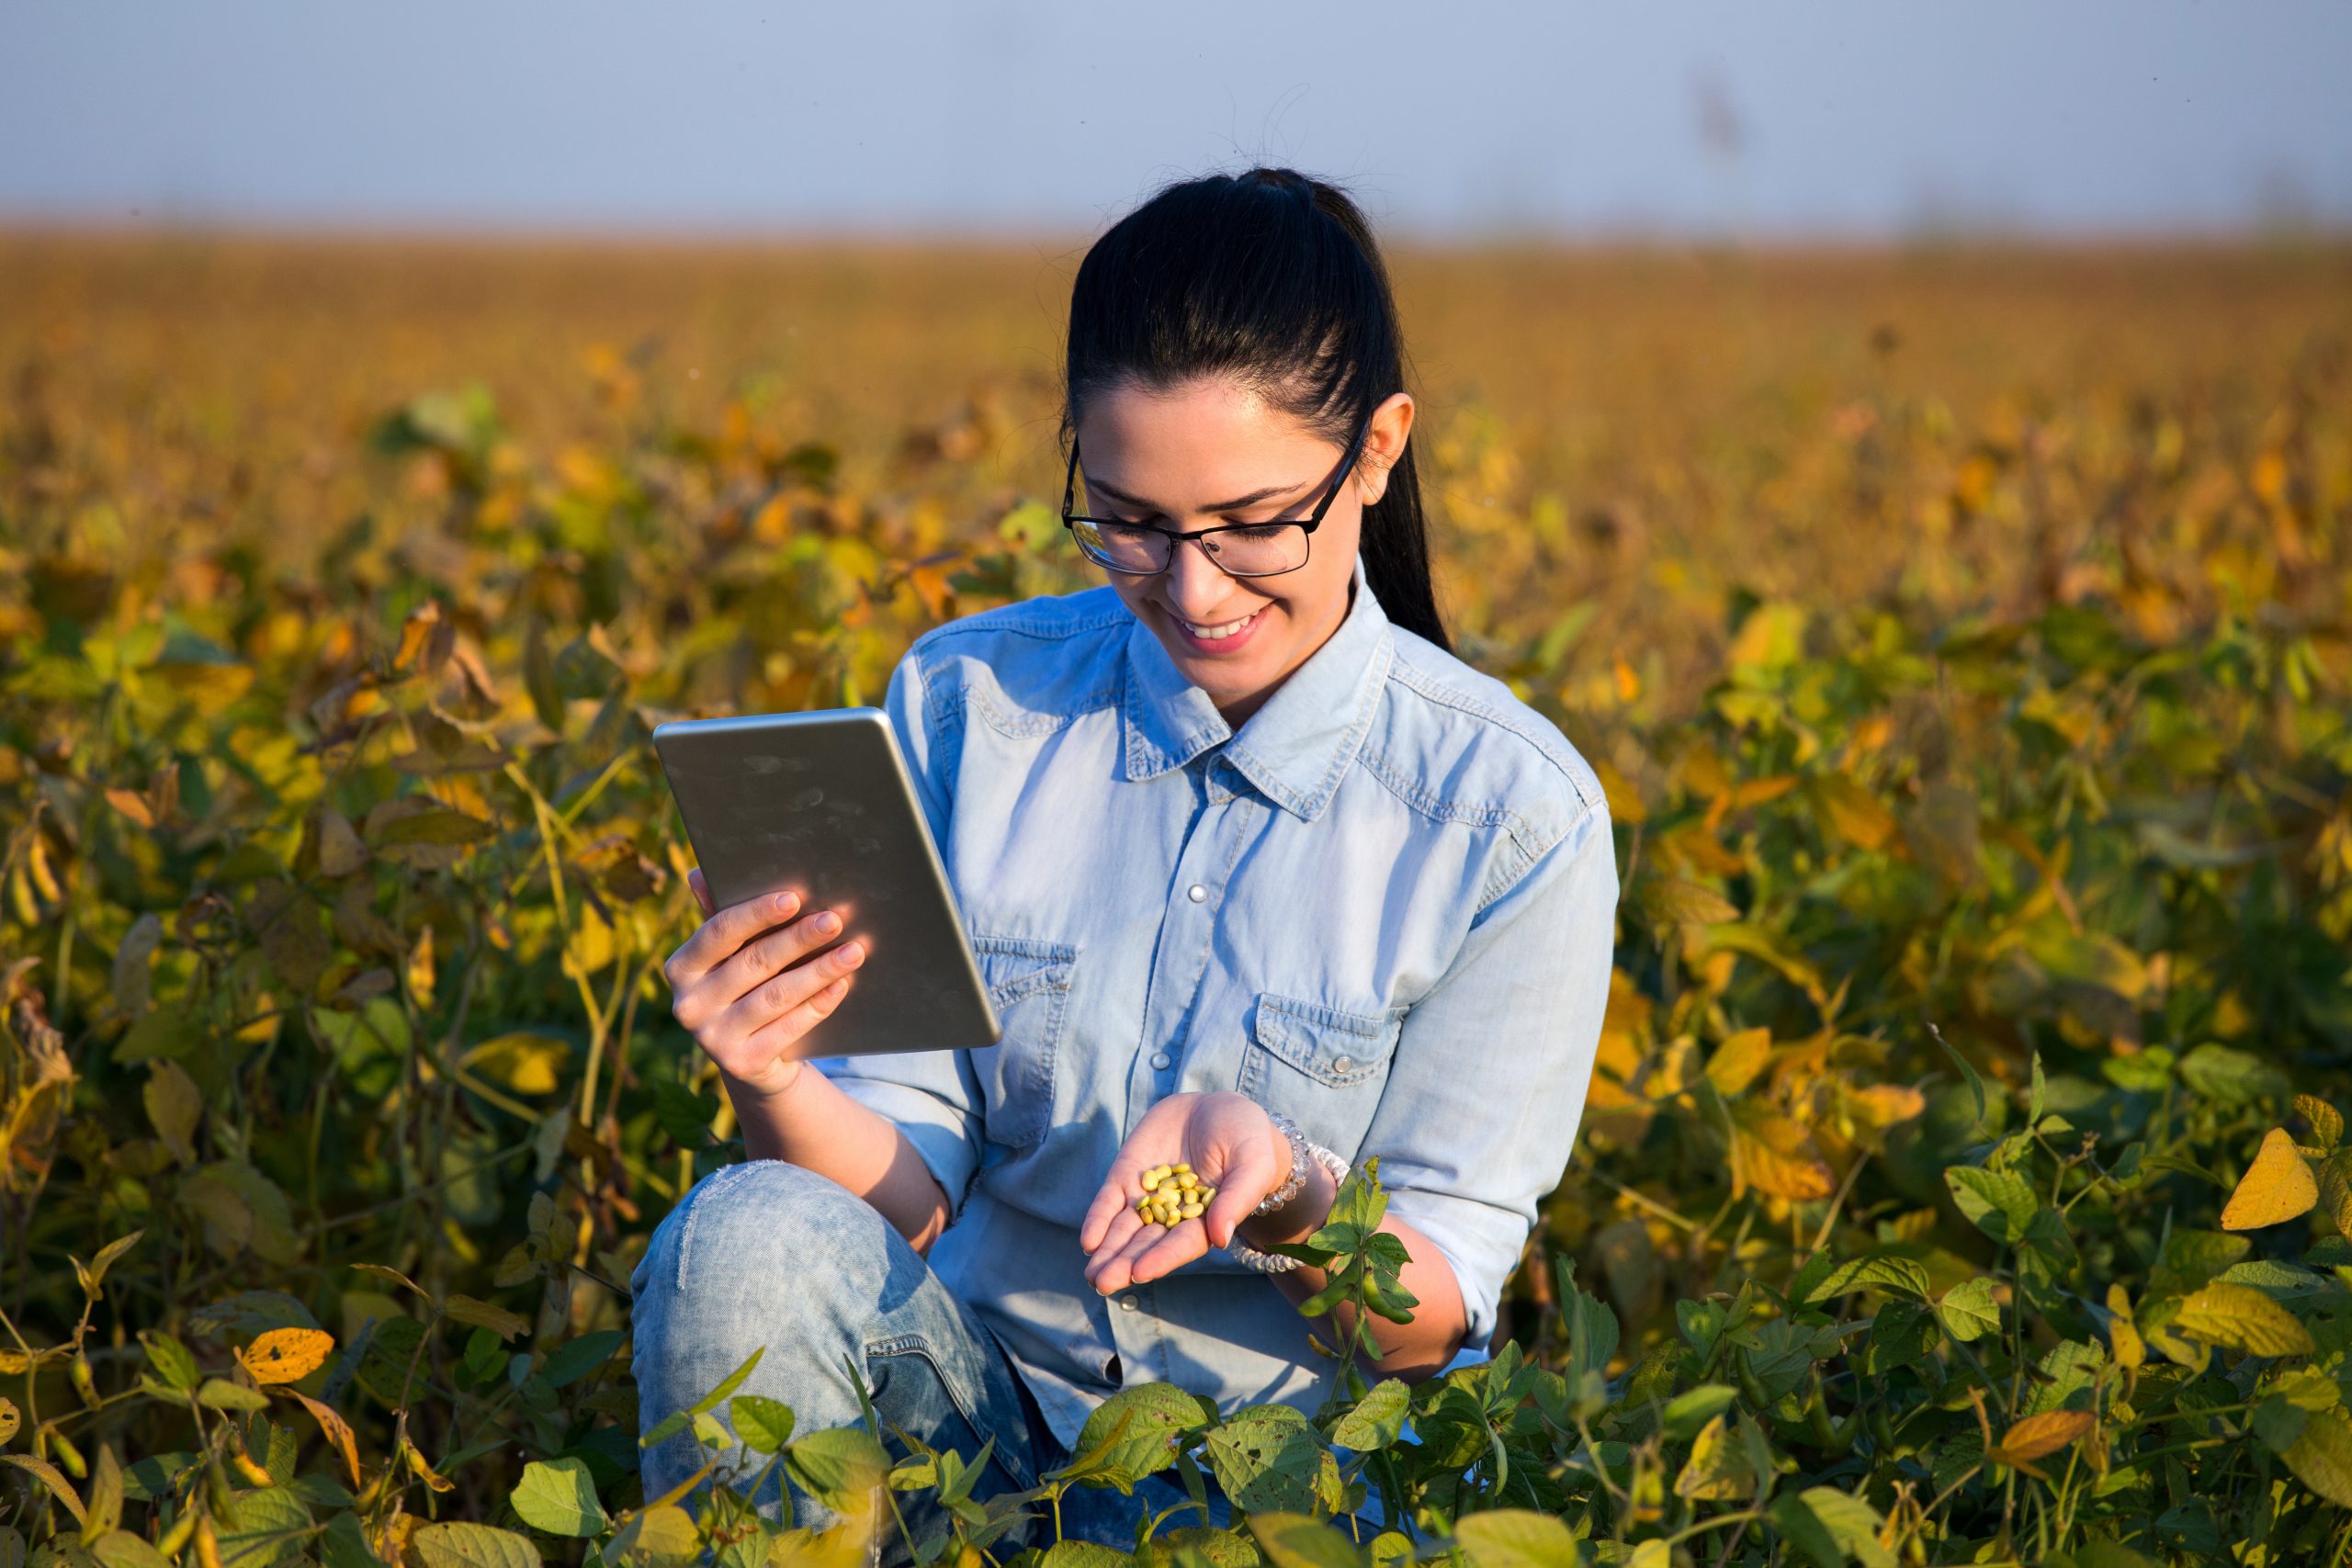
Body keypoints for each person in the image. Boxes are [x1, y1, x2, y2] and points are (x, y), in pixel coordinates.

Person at [629, 166, 1619, 1559]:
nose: (1196, 591)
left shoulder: (1510, 818)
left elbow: (1425, 1327)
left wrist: (1279, 1191)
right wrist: (774, 1071)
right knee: (743, 1231)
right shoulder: (970, 704)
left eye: (1255, 521)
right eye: (1134, 523)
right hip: (978, 1435)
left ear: (1381, 449)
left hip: (1287, 1492)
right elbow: (898, 1203)